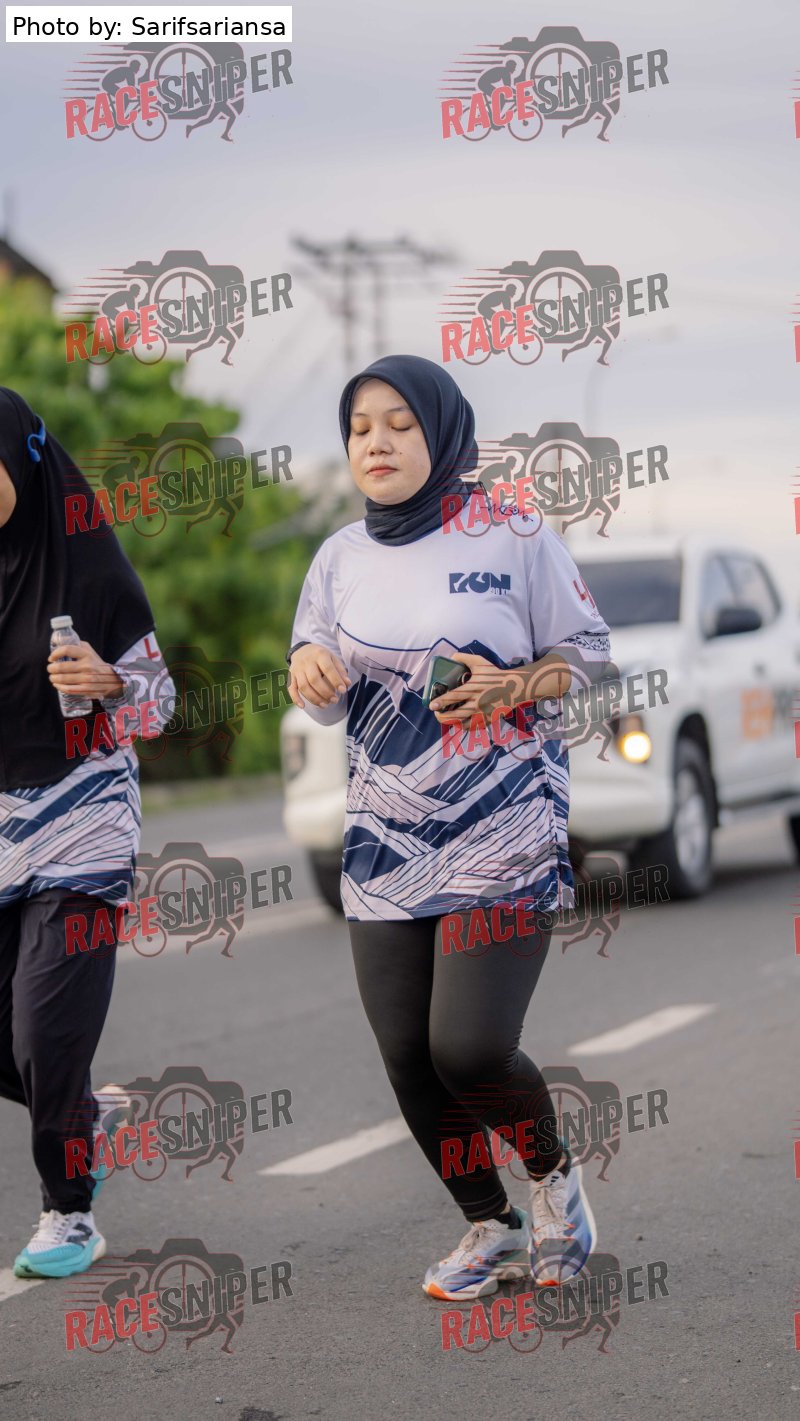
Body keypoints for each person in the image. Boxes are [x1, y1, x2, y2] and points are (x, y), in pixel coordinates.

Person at [286, 355, 611, 1302]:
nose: (377, 443)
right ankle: (491, 1222)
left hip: (502, 825)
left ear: (443, 433)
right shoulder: (338, 557)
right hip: (385, 841)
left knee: (466, 1046)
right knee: (408, 1055)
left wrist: (515, 683)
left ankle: (554, 1185)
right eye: (360, 429)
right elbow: (318, 683)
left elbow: (588, 652)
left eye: (400, 423)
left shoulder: (512, 532)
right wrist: (306, 666)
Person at [0, 387, 176, 1279]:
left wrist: (111, 682)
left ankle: (68, 1212)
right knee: (22, 1047)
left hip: (83, 820)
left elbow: (161, 705)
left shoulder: (93, 575)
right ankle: (82, 1113)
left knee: (46, 1034)